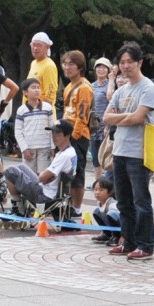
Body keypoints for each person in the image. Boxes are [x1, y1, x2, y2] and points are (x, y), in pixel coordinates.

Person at [102, 42, 154, 260]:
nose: (126, 66)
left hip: (138, 153)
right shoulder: (121, 91)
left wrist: (121, 117)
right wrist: (126, 117)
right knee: (123, 201)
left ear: (139, 63)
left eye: (130, 62)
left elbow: (138, 117)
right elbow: (106, 117)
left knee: (141, 201)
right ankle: (128, 242)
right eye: (122, 62)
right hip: (119, 151)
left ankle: (146, 245)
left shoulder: (148, 88)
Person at [3, 119, 77, 217]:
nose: (53, 136)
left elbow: (42, 178)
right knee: (21, 167)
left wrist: (44, 175)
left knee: (10, 171)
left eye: (57, 133)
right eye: (53, 133)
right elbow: (46, 177)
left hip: (45, 195)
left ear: (67, 136)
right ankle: (20, 207)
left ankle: (19, 209)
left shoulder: (64, 155)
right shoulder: (70, 151)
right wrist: (45, 175)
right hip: (50, 189)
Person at [59, 50, 95, 216]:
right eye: (65, 64)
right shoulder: (68, 87)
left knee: (77, 173)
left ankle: (77, 208)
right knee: (66, 172)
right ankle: (68, 205)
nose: (67, 67)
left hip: (78, 137)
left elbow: (83, 116)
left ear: (80, 67)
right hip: (65, 135)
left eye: (71, 64)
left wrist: (73, 137)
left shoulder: (84, 87)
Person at [12, 79, 55, 175]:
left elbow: (52, 128)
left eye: (38, 88)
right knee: (28, 175)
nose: (37, 90)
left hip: (45, 147)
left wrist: (53, 147)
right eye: (33, 88)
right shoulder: (21, 110)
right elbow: (18, 131)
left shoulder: (47, 108)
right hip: (29, 148)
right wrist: (24, 149)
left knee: (43, 175)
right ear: (25, 92)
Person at [90, 57, 113, 182]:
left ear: (108, 70)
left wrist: (108, 126)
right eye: (99, 67)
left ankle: (106, 183)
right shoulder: (91, 86)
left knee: (106, 154)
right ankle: (97, 182)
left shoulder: (110, 86)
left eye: (104, 67)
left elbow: (112, 104)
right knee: (95, 156)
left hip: (105, 125)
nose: (101, 69)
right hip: (93, 125)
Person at [28, 32, 60, 108]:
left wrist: (43, 112)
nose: (35, 48)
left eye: (39, 45)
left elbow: (50, 94)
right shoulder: (33, 63)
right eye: (33, 45)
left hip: (41, 111)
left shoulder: (49, 66)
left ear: (47, 47)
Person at [89, 177, 121, 245]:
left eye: (101, 190)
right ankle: (107, 234)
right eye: (95, 189)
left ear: (110, 192)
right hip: (111, 225)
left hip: (122, 227)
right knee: (96, 211)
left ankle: (117, 236)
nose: (97, 192)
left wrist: (124, 236)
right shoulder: (99, 202)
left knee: (112, 213)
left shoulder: (112, 204)